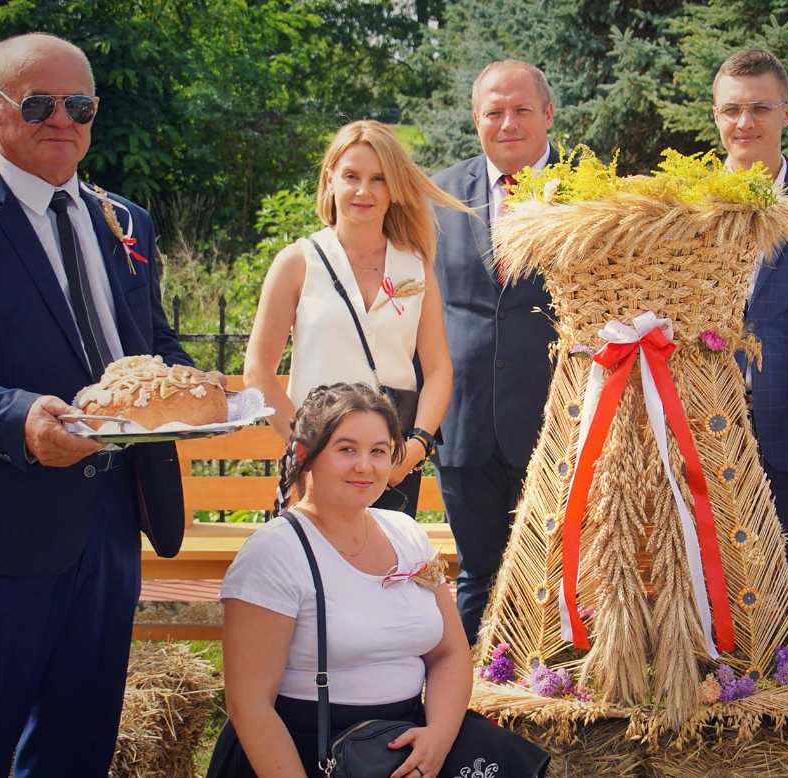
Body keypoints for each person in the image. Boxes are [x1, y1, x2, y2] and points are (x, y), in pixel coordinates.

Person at [0, 33, 202, 778]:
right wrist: (20, 419)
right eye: (40, 103)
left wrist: (197, 389)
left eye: (80, 105)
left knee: (76, 750)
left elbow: (147, 342)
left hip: (114, 522)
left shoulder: (126, 220)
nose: (64, 119)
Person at [209, 382, 550, 778]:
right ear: (305, 455)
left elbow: (449, 653)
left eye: (379, 451)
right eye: (346, 449)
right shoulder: (274, 553)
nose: (365, 466)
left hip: (408, 740)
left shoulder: (407, 533)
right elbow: (249, 705)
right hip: (309, 749)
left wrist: (437, 737)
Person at [244, 121, 467, 517]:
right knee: (315, 574)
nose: (364, 191)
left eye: (379, 179)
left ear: (394, 188)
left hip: (391, 461)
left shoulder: (416, 267)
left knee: (385, 574)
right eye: (352, 176)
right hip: (318, 459)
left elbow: (438, 370)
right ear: (330, 179)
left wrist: (415, 447)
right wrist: (306, 446)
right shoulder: (298, 262)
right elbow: (258, 372)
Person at [430, 60, 560, 643]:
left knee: (554, 579)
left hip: (560, 424)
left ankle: (554, 706)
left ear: (547, 114)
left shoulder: (594, 190)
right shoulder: (436, 195)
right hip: (465, 422)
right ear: (476, 119)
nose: (508, 123)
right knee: (478, 575)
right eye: (494, 112)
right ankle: (467, 708)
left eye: (521, 110)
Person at [714, 48, 788, 657]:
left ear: (787, 113)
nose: (745, 123)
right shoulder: (687, 211)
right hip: (708, 428)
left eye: (760, 108)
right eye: (732, 109)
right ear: (716, 117)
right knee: (715, 577)